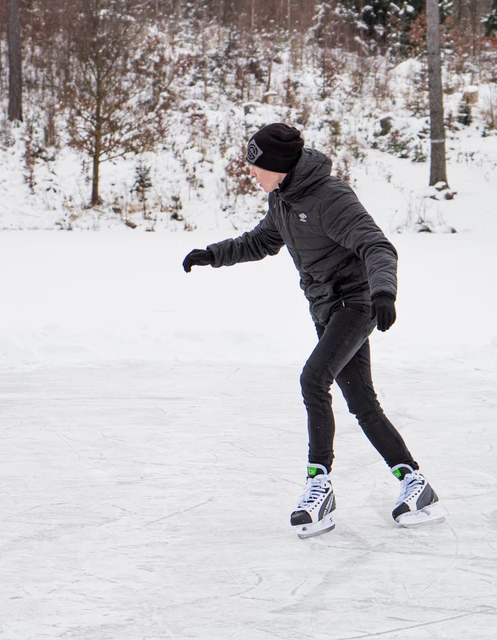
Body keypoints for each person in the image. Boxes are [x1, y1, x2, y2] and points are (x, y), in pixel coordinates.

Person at [182, 123, 444, 539]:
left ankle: (318, 484)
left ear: (278, 165)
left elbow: (376, 246)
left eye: (255, 166)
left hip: (356, 304)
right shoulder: (282, 200)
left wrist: (383, 293)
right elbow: (260, 242)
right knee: (362, 402)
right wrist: (213, 254)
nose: (250, 173)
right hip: (325, 308)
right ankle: (416, 482)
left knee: (313, 379)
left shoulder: (330, 198)